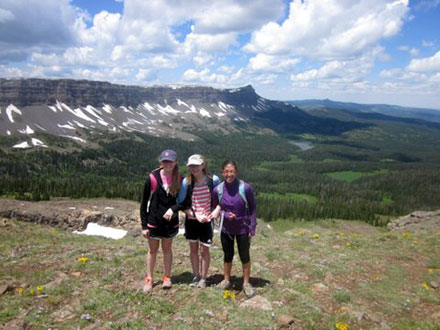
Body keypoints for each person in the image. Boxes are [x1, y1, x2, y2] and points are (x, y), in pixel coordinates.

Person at [212, 160, 257, 298]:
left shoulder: (245, 188)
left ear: (236, 172)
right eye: (226, 171)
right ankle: (226, 280)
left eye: (231, 171)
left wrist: (252, 227)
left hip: (243, 228)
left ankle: (246, 283)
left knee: (244, 255)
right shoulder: (218, 190)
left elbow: (253, 208)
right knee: (227, 254)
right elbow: (215, 209)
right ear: (222, 172)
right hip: (226, 228)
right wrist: (225, 214)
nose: (229, 174)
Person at [140, 149, 182, 294]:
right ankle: (149, 278)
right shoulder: (152, 178)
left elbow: (183, 201)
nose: (168, 164)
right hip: (154, 221)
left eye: (170, 161)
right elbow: (144, 202)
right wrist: (144, 225)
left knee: (167, 249)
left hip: (170, 222)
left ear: (175, 162)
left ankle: (167, 276)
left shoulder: (180, 179)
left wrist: (174, 209)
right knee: (152, 250)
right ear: (161, 162)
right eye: (165, 161)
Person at [178, 154, 220, 288]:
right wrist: (192, 214)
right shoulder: (186, 182)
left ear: (203, 165)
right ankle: (196, 275)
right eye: (191, 166)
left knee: (205, 250)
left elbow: (220, 198)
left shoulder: (213, 180)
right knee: (193, 249)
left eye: (196, 165)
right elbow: (181, 202)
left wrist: (216, 210)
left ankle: (203, 277)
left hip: (207, 221)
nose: (194, 168)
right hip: (192, 221)